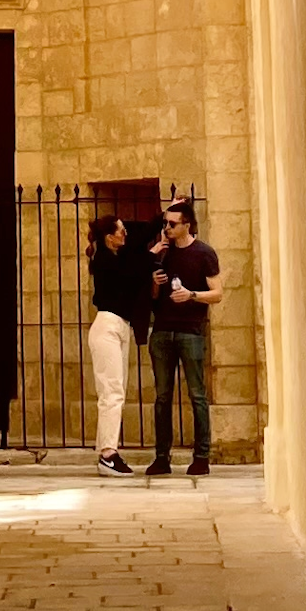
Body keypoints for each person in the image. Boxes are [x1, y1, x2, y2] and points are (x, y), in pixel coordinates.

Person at [143, 201, 222, 478]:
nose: (167, 228)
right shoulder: (162, 254)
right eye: (165, 223)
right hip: (163, 331)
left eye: (172, 224)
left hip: (190, 331)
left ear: (187, 224)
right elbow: (153, 297)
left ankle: (201, 456)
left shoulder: (204, 253)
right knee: (162, 397)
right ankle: (161, 457)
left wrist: (191, 295)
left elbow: (218, 293)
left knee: (197, 395)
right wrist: (155, 281)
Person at [85, 215, 150, 475]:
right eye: (121, 231)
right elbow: (129, 271)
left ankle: (107, 450)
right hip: (108, 326)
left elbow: (139, 234)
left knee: (116, 391)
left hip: (120, 326)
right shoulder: (104, 261)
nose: (126, 235)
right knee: (111, 392)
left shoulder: (116, 259)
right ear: (109, 237)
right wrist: (149, 255)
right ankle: (108, 454)